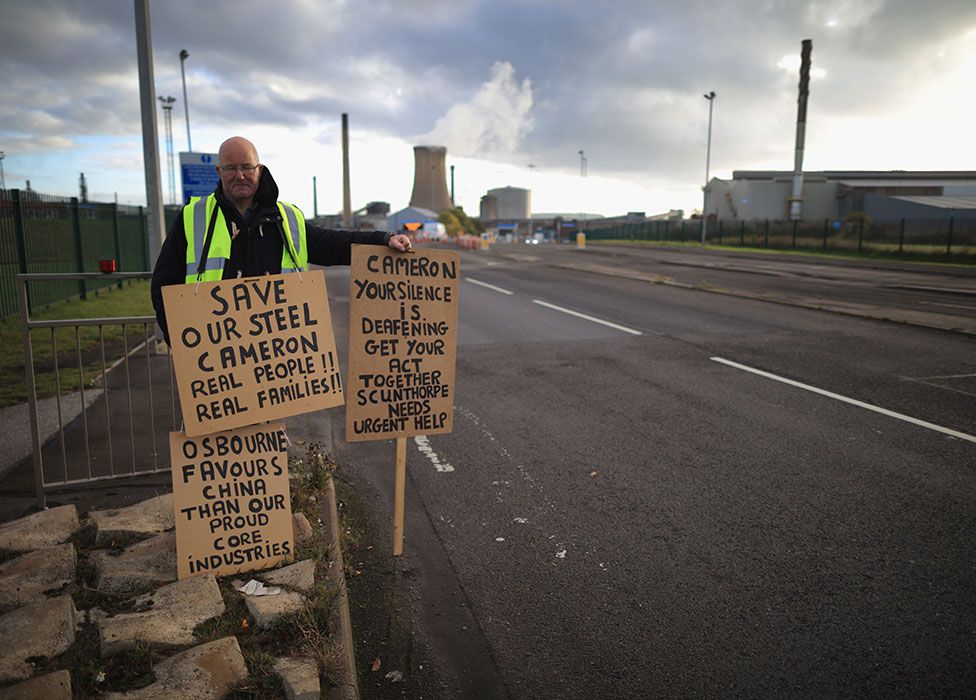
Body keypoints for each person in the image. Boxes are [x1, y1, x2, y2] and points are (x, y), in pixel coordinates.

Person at [151, 135, 412, 344]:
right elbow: (163, 283)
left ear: (259, 169)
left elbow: (332, 244)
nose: (239, 175)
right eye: (230, 168)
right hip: (217, 361)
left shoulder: (286, 218)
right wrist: (181, 344)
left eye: (247, 167)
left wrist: (384, 239)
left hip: (273, 357)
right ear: (219, 171)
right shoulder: (193, 217)